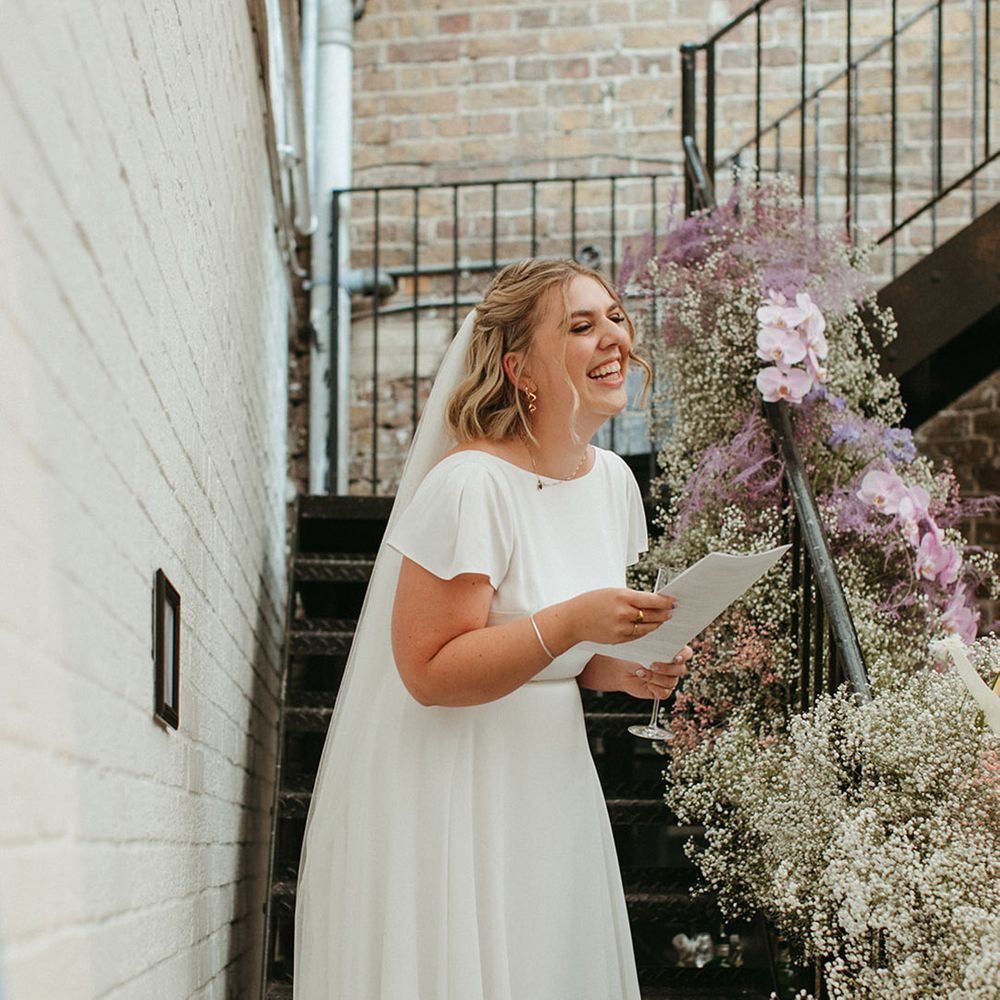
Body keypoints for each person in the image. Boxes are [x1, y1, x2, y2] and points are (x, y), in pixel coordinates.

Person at [294, 258, 692, 1000]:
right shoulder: (470, 484)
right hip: (456, 783)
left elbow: (571, 657)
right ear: (520, 369)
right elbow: (428, 670)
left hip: (550, 776)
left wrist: (630, 667)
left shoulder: (612, 482)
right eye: (580, 326)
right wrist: (573, 621)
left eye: (614, 316)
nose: (613, 337)